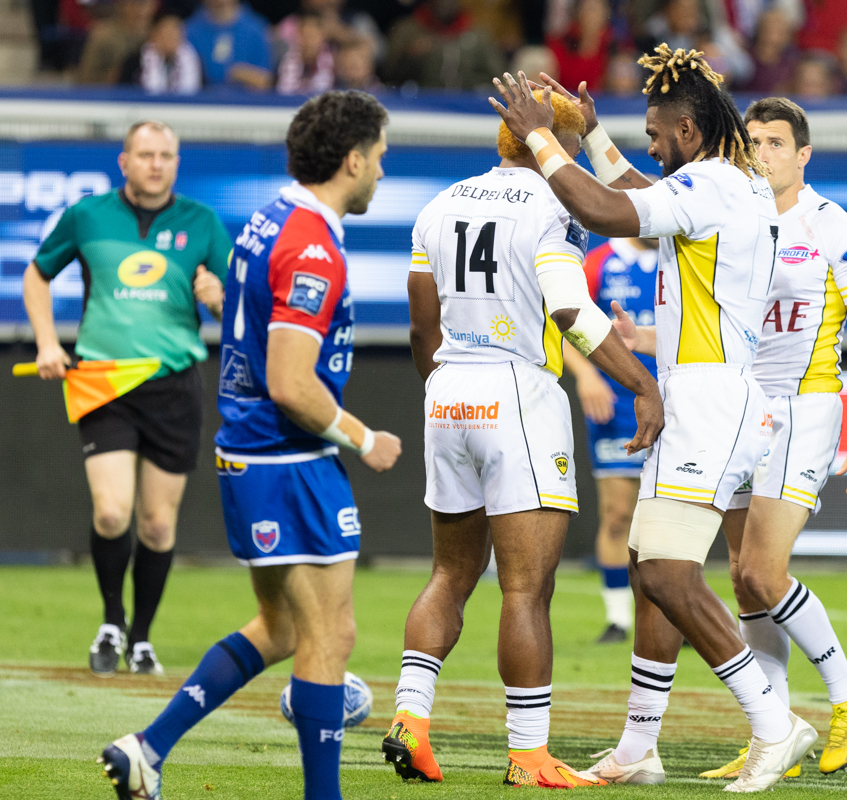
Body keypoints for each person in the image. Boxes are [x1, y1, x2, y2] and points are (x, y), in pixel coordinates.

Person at [493, 48, 819, 792]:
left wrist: (541, 136)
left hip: (712, 402)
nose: (649, 147)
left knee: (671, 574)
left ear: (689, 130)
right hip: (698, 394)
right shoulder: (728, 182)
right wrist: (592, 136)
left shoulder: (714, 184)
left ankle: (774, 725)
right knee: (648, 570)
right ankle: (639, 746)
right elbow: (638, 192)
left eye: (655, 134)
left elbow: (607, 211)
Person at [99, 91, 401, 800]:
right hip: (288, 458)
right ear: (352, 161)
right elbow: (292, 383)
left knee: (282, 627)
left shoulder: (270, 218)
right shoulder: (312, 246)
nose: (382, 171)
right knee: (331, 636)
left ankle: (146, 749)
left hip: (249, 452)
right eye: (379, 157)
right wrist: (365, 437)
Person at [382, 88, 662, 788]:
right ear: (553, 145)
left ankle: (411, 719)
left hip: (448, 390)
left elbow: (421, 326)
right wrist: (641, 382)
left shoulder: (440, 204)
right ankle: (529, 754)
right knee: (526, 588)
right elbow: (570, 309)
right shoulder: (554, 206)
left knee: (450, 574)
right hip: (517, 392)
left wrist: (442, 388)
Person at [699, 96, 847, 781]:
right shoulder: (733, 219)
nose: (761, 153)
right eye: (751, 141)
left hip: (802, 408)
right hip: (739, 407)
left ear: (803, 154)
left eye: (776, 142)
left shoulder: (832, 224)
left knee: (762, 571)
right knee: (743, 580)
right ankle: (775, 731)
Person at [24, 121, 231, 679]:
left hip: (175, 385)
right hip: (103, 381)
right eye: (145, 154)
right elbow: (37, 276)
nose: (156, 164)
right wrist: (47, 342)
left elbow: (238, 307)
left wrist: (219, 298)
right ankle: (112, 621)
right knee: (112, 512)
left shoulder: (203, 222)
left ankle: (141, 638)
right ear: (124, 162)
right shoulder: (86, 216)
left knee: (158, 526)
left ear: (176, 162)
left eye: (166, 155)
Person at [562, 236, 658, 643]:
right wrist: (586, 375)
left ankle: (676, 612)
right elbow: (562, 324)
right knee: (617, 514)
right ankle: (619, 618)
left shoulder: (682, 254)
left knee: (670, 518)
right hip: (615, 404)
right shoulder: (599, 262)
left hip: (674, 399)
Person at [185, 0, 273, 90]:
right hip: (203, 97)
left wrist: (243, 74)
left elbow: (266, 81)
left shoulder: (256, 30)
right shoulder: (190, 31)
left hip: (245, 96)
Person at [120, 12, 203, 94]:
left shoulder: (194, 60)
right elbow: (123, 91)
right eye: (167, 33)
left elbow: (203, 91)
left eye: (175, 33)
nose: (171, 38)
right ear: (154, 34)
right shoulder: (135, 62)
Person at [77, 0, 156, 84]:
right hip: (109, 90)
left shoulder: (159, 35)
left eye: (143, 3)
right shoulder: (104, 37)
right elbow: (85, 80)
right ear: (121, 4)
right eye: (133, 3)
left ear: (154, 4)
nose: (139, 9)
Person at [276, 10, 335, 94]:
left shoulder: (331, 59)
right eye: (305, 35)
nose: (309, 41)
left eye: (312, 36)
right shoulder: (288, 57)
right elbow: (285, 91)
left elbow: (323, 90)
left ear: (322, 37)